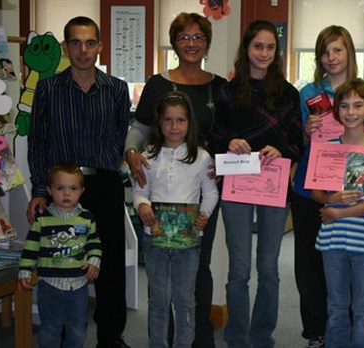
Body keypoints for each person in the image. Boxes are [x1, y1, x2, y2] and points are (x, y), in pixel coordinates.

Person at [26, 16, 131, 348]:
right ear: (66, 47)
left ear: (99, 46)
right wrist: (41, 190)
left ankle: (110, 337)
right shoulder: (48, 89)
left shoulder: (116, 89)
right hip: (62, 189)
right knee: (60, 260)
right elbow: (39, 142)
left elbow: (118, 138)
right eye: (75, 43)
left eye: (90, 43)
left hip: (104, 184)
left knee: (109, 264)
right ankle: (58, 335)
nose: (83, 50)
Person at [123, 12, 227, 347]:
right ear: (174, 42)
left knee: (198, 272)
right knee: (160, 288)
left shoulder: (219, 86)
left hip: (200, 189)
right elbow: (138, 131)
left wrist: (223, 161)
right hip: (159, 207)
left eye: (198, 37)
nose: (191, 43)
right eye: (184, 37)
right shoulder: (157, 84)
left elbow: (229, 133)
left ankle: (197, 339)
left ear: (207, 42)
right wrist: (131, 155)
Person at [291, 25, 364, 348]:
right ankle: (318, 333)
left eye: (338, 50)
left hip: (357, 191)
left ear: (349, 53)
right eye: (325, 51)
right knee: (311, 265)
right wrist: (306, 130)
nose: (331, 58)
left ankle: (349, 333)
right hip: (313, 188)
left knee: (354, 270)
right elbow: (298, 143)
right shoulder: (307, 93)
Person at [210, 20, 303, 347]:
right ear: (246, 49)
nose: (263, 53)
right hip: (236, 183)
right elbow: (215, 134)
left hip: (274, 185)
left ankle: (262, 337)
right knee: (238, 271)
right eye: (257, 46)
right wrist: (231, 141)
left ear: (276, 52)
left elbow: (297, 142)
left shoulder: (289, 94)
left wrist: (283, 149)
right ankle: (237, 338)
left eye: (269, 47)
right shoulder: (227, 90)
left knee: (268, 268)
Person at [311, 79, 364, 348]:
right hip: (332, 240)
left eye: (358, 105)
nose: (351, 112)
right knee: (336, 307)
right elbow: (316, 193)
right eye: (345, 106)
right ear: (336, 111)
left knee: (363, 308)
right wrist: (331, 198)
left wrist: (339, 213)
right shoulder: (327, 147)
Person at [132, 91, 219, 347]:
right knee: (158, 300)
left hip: (188, 242)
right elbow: (139, 191)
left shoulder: (201, 157)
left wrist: (204, 214)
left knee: (185, 301)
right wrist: (142, 206)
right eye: (168, 120)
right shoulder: (147, 156)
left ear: (189, 123)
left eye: (180, 120)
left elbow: (211, 192)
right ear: (159, 122)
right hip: (155, 239)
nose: (174, 126)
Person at [19, 164, 100, 348]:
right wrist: (25, 269)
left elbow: (95, 244)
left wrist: (94, 261)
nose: (66, 194)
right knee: (49, 329)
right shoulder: (42, 220)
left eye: (73, 188)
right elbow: (31, 247)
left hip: (78, 286)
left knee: (77, 329)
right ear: (49, 190)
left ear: (82, 191)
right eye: (59, 188)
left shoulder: (87, 218)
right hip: (49, 286)